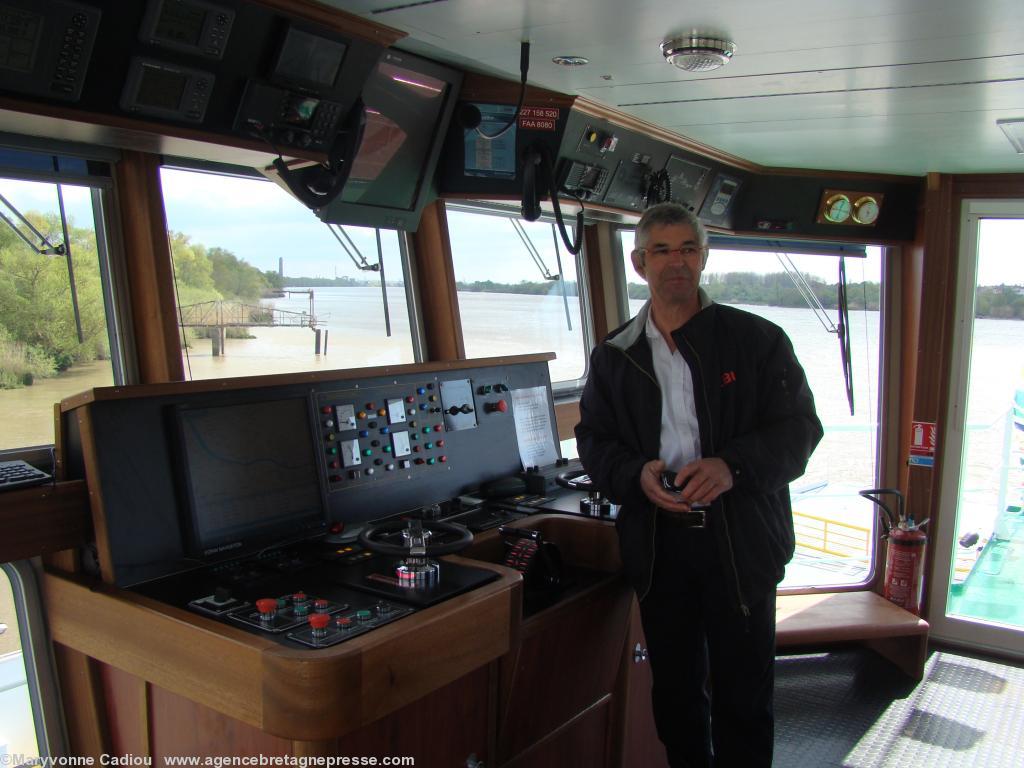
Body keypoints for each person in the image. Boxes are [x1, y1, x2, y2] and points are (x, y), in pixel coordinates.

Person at [575, 202, 822, 767]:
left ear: (704, 258)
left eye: (688, 248)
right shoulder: (614, 355)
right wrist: (634, 475)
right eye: (662, 250)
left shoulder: (758, 341)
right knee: (678, 700)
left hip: (739, 544)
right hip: (662, 547)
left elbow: (800, 429)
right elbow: (595, 440)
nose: (676, 262)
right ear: (640, 263)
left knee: (744, 700)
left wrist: (731, 465)